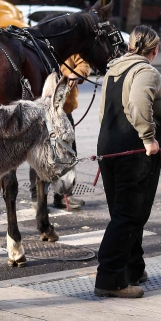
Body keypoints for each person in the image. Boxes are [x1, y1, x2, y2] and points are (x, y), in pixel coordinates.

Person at [94, 26, 161, 299]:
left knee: (123, 212)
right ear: (155, 50)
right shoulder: (147, 72)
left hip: (109, 150)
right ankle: (110, 278)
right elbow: (138, 106)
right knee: (130, 215)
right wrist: (149, 139)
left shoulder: (113, 70)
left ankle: (133, 268)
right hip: (133, 153)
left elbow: (104, 113)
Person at [53, 54, 91, 210]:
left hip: (64, 110)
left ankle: (64, 195)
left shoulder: (70, 46)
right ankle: (37, 197)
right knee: (41, 155)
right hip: (42, 108)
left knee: (69, 152)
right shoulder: (39, 41)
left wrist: (76, 74)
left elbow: (84, 64)